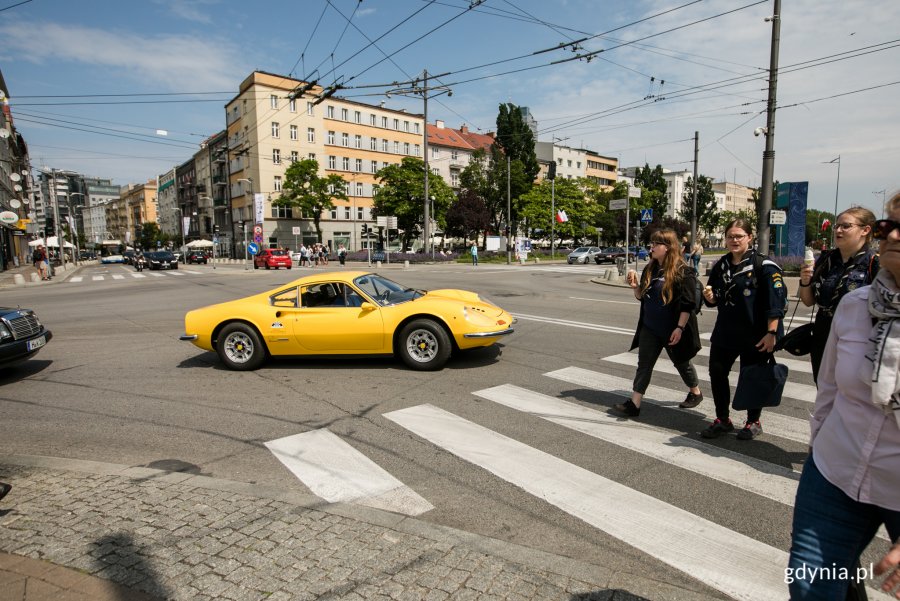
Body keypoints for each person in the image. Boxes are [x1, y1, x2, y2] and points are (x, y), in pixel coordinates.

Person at [788, 193, 900, 600]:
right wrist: (818, 446)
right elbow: (830, 391)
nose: (894, 234)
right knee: (807, 586)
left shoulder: (864, 266)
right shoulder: (855, 305)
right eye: (891, 224)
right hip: (835, 468)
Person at [700, 219, 787, 440]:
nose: (734, 240)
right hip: (726, 333)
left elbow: (775, 302)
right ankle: (723, 419)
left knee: (752, 377)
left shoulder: (764, 266)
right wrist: (709, 297)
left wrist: (771, 333)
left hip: (755, 335)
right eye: (730, 236)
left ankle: (753, 421)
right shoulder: (721, 265)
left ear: (750, 237)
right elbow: (715, 297)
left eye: (739, 236)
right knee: (717, 373)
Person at [613, 229, 703, 418]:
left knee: (681, 362)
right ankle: (634, 404)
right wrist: (635, 287)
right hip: (650, 328)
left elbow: (687, 305)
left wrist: (679, 328)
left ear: (668, 247)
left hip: (672, 329)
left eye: (655, 244)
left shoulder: (683, 271)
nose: (651, 247)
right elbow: (642, 297)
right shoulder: (651, 268)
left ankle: (695, 392)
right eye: (652, 243)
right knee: (644, 365)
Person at [798, 206, 879, 383]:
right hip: (823, 331)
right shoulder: (826, 259)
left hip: (856, 335)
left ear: (865, 230)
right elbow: (808, 300)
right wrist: (805, 281)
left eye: (846, 226)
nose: (839, 230)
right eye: (837, 226)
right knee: (823, 384)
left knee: (849, 390)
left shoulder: (874, 262)